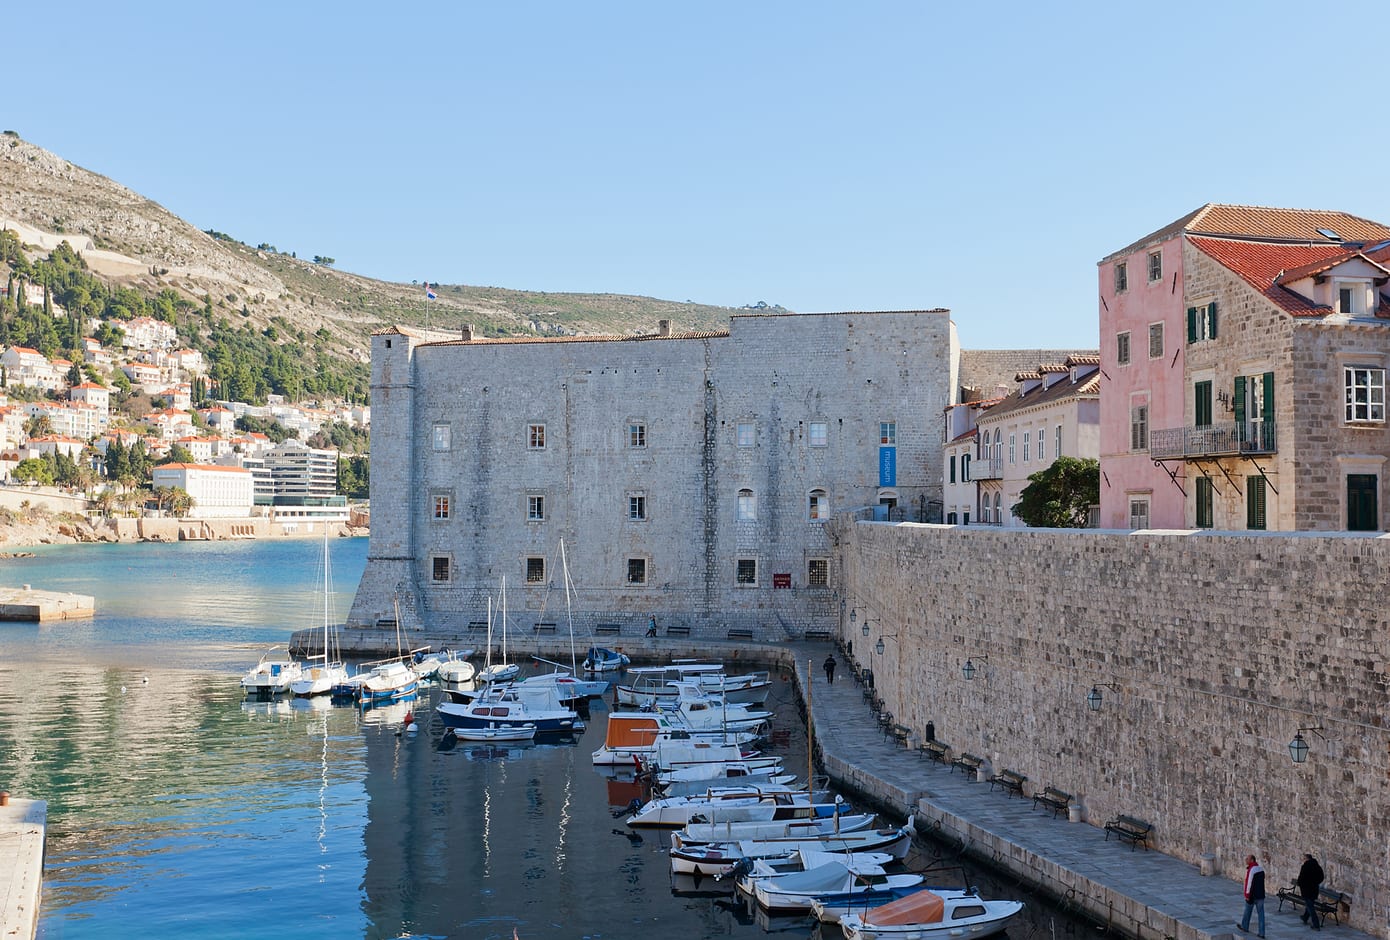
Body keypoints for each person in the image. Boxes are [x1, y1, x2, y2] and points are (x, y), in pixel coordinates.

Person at [1237, 853, 1265, 937]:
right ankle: (1262, 933)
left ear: (1252, 860)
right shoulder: (1261, 869)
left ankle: (1245, 926)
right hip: (1261, 895)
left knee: (1247, 911)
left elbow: (1249, 883)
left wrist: (1247, 895)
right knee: (1261, 915)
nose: (1246, 860)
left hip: (1253, 895)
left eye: (1247, 859)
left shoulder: (1252, 870)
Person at [1297, 853, 1324, 929]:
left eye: (1304, 859)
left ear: (1306, 859)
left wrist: (1302, 884)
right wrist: (1315, 882)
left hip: (1306, 889)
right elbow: (1321, 877)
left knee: (1310, 906)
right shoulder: (1317, 867)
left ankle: (1316, 925)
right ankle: (1305, 917)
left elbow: (1301, 878)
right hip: (1314, 889)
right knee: (1310, 903)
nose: (1303, 861)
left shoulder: (1305, 867)